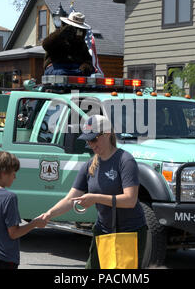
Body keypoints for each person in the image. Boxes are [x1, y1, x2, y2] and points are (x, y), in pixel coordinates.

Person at [39, 115, 147, 269]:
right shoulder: (90, 165)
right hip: (103, 230)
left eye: (94, 139)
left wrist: (95, 198)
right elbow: (70, 199)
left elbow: (130, 200)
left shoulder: (125, 160)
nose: (90, 144)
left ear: (108, 133)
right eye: (88, 140)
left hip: (129, 232)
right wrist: (48, 215)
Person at [0, 151, 47, 269]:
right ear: (4, 173)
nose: (15, 177)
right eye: (13, 173)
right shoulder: (9, 197)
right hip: (3, 258)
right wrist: (34, 223)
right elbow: (14, 233)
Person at [42, 11, 95, 76]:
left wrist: (86, 66)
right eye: (75, 28)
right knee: (62, 73)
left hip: (75, 68)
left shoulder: (81, 43)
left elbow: (88, 59)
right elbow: (46, 45)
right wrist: (60, 34)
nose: (77, 31)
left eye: (79, 29)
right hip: (56, 65)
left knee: (92, 75)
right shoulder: (57, 36)